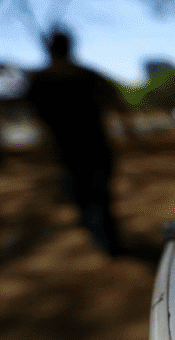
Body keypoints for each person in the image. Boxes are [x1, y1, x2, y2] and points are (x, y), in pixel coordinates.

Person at [25, 28, 131, 256]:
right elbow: (118, 105)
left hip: (71, 152)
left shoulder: (39, 80)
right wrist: (127, 135)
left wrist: (44, 150)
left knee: (88, 197)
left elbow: (37, 120)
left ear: (49, 49)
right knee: (97, 197)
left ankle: (105, 240)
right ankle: (107, 240)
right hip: (94, 148)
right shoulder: (87, 76)